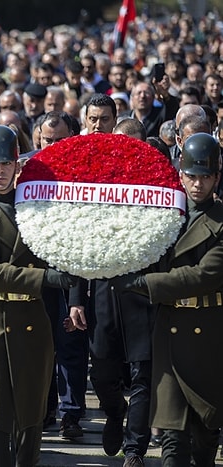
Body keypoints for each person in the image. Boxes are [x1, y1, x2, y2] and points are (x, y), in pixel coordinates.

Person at [0, 125, 75, 466]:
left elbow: (69, 253)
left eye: (6, 163)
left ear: (17, 164)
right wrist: (46, 277)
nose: (0, 170)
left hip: (32, 322)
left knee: (31, 418)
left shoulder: (38, 213)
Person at [110, 133, 223, 467]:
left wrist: (144, 283)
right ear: (180, 174)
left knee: (205, 436)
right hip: (169, 330)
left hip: (208, 331)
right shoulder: (166, 215)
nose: (197, 183)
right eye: (191, 175)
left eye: (205, 176)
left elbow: (203, 276)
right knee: (173, 440)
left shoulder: (220, 221)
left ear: (216, 176)